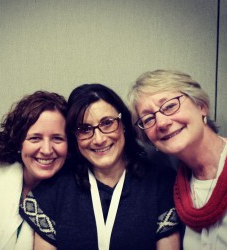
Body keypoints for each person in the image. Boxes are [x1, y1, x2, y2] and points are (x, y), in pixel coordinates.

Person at [20, 83, 180, 250]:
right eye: (84, 129)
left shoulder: (160, 183)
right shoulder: (54, 189)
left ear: (124, 123)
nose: (98, 139)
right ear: (74, 136)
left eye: (107, 123)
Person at [127, 69, 227, 249]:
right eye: (148, 119)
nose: (162, 123)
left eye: (170, 106)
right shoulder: (172, 187)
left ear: (201, 106)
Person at [0, 90, 68, 250]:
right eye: (35, 138)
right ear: (18, 141)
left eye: (57, 138)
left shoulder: (76, 196)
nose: (46, 150)